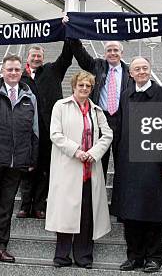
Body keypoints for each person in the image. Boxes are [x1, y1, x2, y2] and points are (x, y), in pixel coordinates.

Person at [112, 57, 162, 273]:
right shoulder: (125, 96)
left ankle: (155, 257)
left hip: (154, 164)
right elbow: (119, 129)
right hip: (129, 164)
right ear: (130, 74)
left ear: (150, 70)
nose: (141, 72)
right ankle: (134, 257)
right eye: (137, 69)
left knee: (152, 212)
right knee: (130, 213)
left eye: (145, 68)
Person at [45, 71, 113, 269]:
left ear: (92, 89)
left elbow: (107, 134)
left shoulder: (96, 110)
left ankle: (84, 257)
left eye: (88, 86)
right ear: (73, 86)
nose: (84, 89)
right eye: (81, 85)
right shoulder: (61, 106)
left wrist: (94, 152)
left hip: (89, 170)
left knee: (87, 214)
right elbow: (55, 134)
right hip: (68, 167)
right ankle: (62, 256)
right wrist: (76, 151)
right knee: (65, 213)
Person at [0, 54, 39, 264]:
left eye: (17, 70)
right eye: (9, 69)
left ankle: (0, 246)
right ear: (2, 71)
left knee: (7, 206)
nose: (13, 73)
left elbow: (35, 131)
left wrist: (31, 158)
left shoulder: (30, 96)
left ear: (23, 72)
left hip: (17, 161)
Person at [17, 41, 73, 220]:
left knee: (45, 170)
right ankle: (25, 205)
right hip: (26, 133)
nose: (36, 58)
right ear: (27, 58)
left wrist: (69, 33)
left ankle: (39, 205)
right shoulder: (20, 76)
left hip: (50, 131)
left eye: (39, 56)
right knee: (27, 170)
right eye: (33, 56)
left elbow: (66, 57)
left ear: (43, 58)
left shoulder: (52, 70)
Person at [70, 38, 129, 179]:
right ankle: (97, 197)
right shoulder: (97, 65)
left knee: (123, 164)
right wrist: (72, 34)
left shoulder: (129, 71)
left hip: (122, 120)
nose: (112, 53)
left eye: (116, 50)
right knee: (98, 162)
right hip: (101, 120)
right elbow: (80, 54)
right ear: (104, 53)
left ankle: (120, 199)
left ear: (122, 53)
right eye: (109, 50)